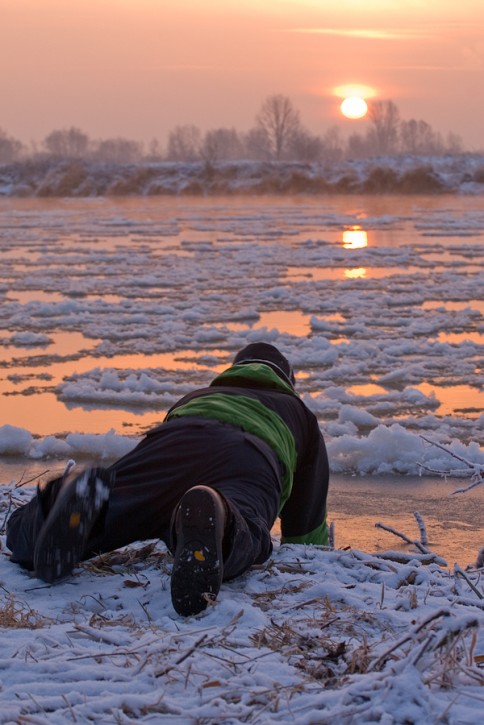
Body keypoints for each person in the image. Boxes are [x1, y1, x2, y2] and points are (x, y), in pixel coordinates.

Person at [7, 342, 329, 616]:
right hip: (250, 457)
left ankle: (61, 508)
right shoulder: (297, 412)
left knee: (119, 504)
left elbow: (173, 460)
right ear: (288, 381)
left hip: (174, 441)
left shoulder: (199, 395)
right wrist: (308, 550)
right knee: (243, 518)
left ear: (233, 370)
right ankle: (221, 517)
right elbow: (305, 519)